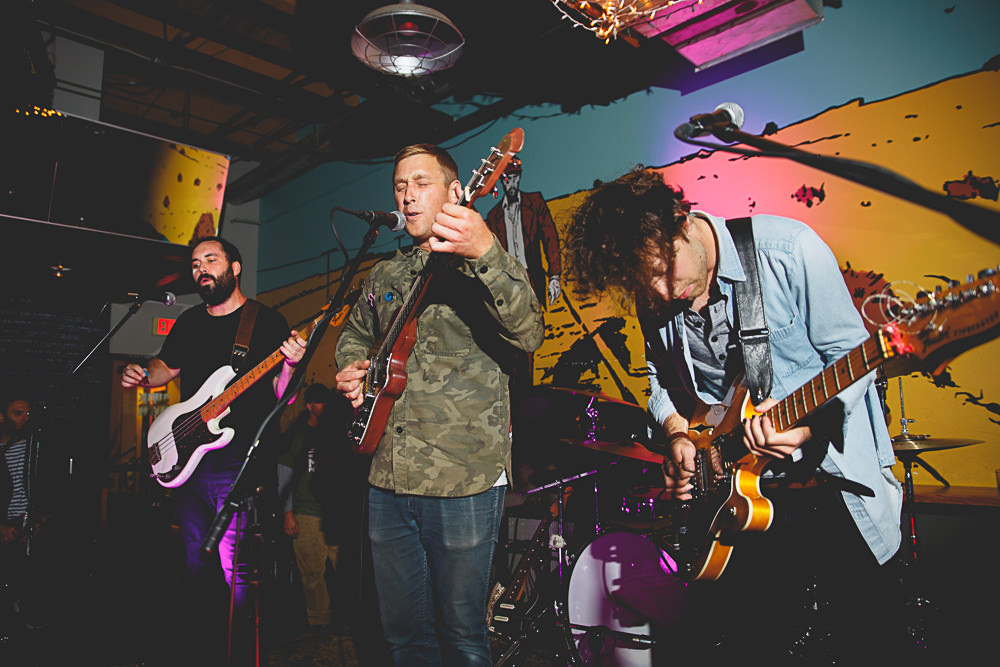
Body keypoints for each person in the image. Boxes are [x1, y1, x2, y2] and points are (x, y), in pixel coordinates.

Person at [563, 169, 904, 663]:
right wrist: (678, 433)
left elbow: (853, 359)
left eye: (664, 270)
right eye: (645, 281)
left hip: (833, 490)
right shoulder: (655, 291)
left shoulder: (788, 250)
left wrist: (806, 427)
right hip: (739, 507)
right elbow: (659, 379)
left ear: (679, 222)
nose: (660, 292)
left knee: (866, 641)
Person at [334, 143, 545, 665]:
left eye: (421, 184)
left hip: (463, 478)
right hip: (386, 475)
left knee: (463, 636)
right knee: (403, 635)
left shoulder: (486, 262)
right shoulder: (386, 273)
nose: (407, 197)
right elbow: (354, 334)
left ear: (457, 191)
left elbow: (531, 332)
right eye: (400, 187)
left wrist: (485, 252)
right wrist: (351, 368)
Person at [121, 236, 306, 665]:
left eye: (211, 260)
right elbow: (164, 368)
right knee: (193, 562)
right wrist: (142, 372)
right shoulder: (188, 322)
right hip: (189, 462)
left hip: (236, 461)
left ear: (235, 268)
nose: (201, 268)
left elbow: (285, 395)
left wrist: (293, 363)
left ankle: (239, 655)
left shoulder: (265, 321)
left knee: (236, 570)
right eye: (195, 263)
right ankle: (201, 648)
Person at [276, 382, 357, 631]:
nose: (325, 406)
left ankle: (347, 621)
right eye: (320, 402)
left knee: (344, 570)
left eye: (326, 401)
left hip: (334, 513)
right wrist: (288, 513)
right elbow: (284, 473)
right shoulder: (298, 434)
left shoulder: (336, 432)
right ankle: (319, 623)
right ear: (310, 405)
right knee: (312, 574)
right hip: (306, 513)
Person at [485, 158, 562, 309]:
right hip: (508, 282)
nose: (511, 184)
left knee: (538, 321)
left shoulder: (534, 202)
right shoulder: (494, 216)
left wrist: (554, 276)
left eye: (514, 179)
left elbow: (550, 237)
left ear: (519, 178)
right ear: (501, 182)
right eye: (507, 180)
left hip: (533, 276)